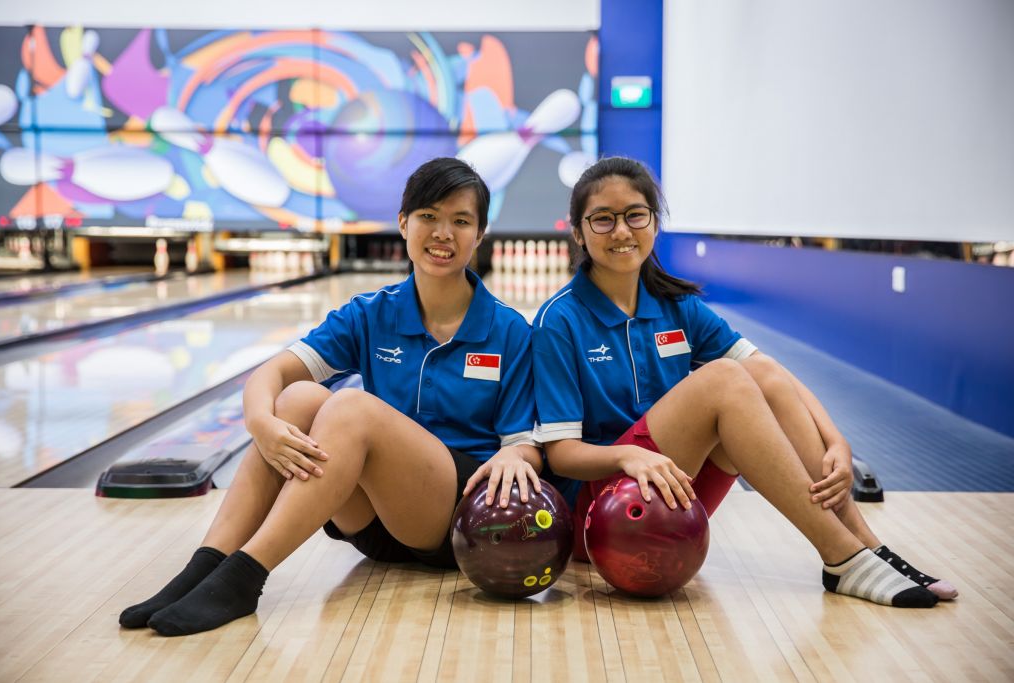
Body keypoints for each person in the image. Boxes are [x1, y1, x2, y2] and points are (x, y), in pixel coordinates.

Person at [120, 158, 542, 636]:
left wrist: (520, 454)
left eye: (461, 221)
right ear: (403, 223)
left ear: (480, 235)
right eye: (428, 216)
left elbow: (523, 441)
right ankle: (205, 565)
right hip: (375, 523)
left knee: (350, 405)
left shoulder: (509, 330)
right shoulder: (372, 313)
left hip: (458, 524)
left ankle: (244, 578)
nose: (443, 232)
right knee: (298, 397)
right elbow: (273, 374)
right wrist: (262, 423)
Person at [532, 156, 956, 608]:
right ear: (578, 231)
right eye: (603, 219)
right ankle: (841, 555)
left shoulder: (675, 307)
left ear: (655, 223)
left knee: (760, 375)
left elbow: (772, 375)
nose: (621, 231)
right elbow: (561, 454)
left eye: (636, 215)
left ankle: (865, 545)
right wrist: (629, 456)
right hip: (598, 516)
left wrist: (836, 441)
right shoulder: (559, 320)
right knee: (725, 380)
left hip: (669, 492)